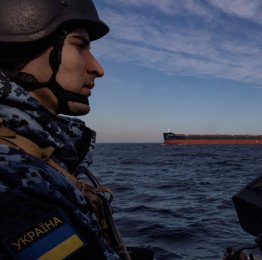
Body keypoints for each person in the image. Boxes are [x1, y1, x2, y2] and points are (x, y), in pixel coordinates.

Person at [0, 0, 151, 259]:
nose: (98, 69)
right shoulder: (11, 181)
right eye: (79, 45)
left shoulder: (36, 153)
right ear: (26, 45)